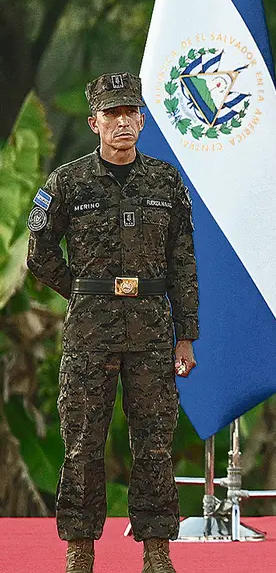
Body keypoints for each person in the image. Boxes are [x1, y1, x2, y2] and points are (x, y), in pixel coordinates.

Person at [26, 71, 199, 573]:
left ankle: (157, 552)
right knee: (82, 440)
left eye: (131, 113)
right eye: (113, 114)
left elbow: (183, 260)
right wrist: (81, 292)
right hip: (90, 332)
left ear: (142, 120)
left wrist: (185, 336)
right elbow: (39, 254)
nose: (123, 123)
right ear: (94, 122)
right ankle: (80, 550)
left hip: (149, 327)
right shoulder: (68, 182)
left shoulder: (165, 181)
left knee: (155, 441)